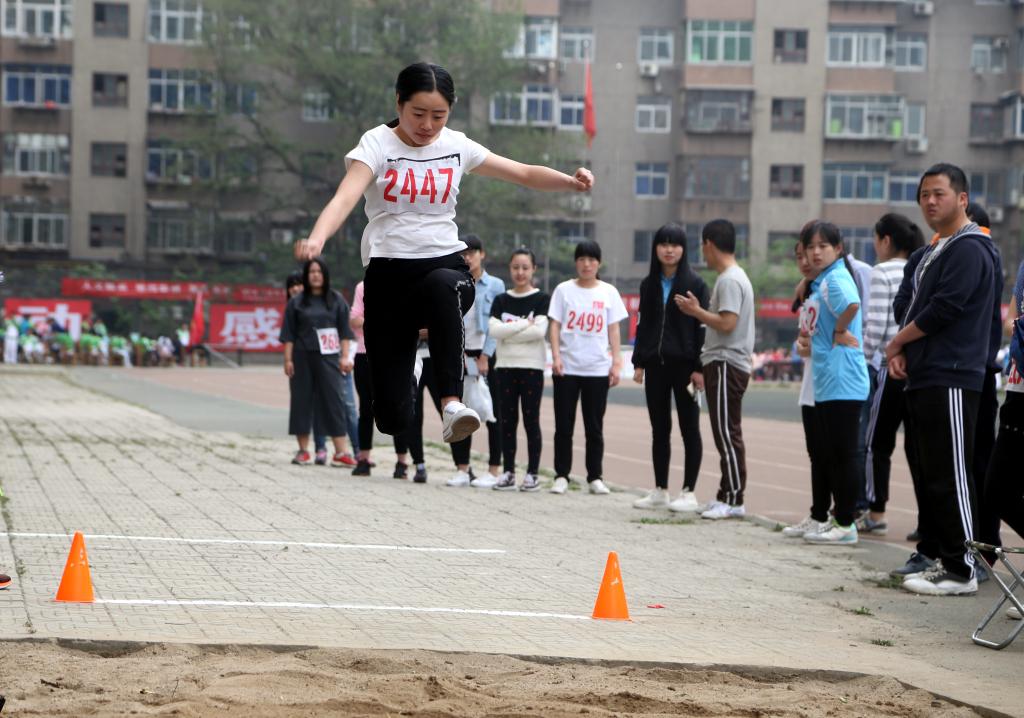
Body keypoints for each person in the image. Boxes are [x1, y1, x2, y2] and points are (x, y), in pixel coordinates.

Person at [294, 62, 593, 449]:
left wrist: (570, 182)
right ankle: (411, 368)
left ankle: (452, 403)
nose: (428, 125)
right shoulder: (377, 144)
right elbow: (345, 197)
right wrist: (317, 238)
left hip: (444, 262)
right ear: (399, 103)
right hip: (389, 275)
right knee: (392, 418)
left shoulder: (456, 145)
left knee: (443, 286)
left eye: (439, 115)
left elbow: (521, 172)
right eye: (418, 113)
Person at [886, 163, 1000, 596]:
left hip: (953, 373)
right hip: (928, 371)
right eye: (924, 195)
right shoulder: (936, 250)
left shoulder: (970, 247)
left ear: (962, 198)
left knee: (953, 474)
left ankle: (962, 568)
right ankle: (948, 561)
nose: (930, 202)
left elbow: (945, 308)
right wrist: (905, 350)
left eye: (939, 193)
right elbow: (910, 304)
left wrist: (898, 342)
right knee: (934, 474)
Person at [676, 220, 755, 520]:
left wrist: (696, 312)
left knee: (726, 432)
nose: (702, 251)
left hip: (726, 363)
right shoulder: (731, 277)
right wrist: (701, 310)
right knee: (725, 431)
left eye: (702, 245)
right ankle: (725, 494)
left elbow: (727, 323)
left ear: (708, 244)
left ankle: (734, 498)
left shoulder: (729, 280)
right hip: (724, 363)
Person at [797, 222, 870, 546]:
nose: (815, 252)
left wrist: (840, 330)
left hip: (843, 379)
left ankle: (845, 522)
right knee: (834, 454)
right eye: (810, 247)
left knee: (844, 455)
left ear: (838, 249)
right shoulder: (822, 281)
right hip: (829, 378)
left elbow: (852, 304)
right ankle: (838, 520)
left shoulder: (835, 279)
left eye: (822, 246)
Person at [630, 223, 708, 512]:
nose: (669, 250)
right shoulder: (648, 284)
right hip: (656, 367)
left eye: (675, 244)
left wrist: (699, 367)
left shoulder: (696, 284)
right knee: (659, 429)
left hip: (686, 368)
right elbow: (643, 324)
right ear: (655, 249)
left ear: (684, 249)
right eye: (663, 244)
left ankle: (688, 492)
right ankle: (660, 490)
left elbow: (702, 329)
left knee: (690, 429)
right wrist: (639, 362)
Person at [858, 214, 925, 536]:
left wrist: (863, 358)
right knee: (918, 448)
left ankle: (876, 511)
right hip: (918, 368)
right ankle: (926, 521)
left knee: (877, 444)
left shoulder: (882, 271)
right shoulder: (921, 266)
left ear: (885, 240)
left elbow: (877, 325)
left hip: (889, 366)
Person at [547, 240, 627, 495]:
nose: (586, 264)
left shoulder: (608, 292)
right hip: (567, 368)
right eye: (581, 259)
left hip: (597, 369)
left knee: (594, 427)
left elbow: (614, 329)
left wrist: (616, 362)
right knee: (564, 426)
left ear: (598, 263)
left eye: (591, 259)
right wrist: (556, 356)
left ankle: (595, 477)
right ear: (576, 262)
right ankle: (561, 475)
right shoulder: (563, 290)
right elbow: (555, 325)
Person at [279, 258, 356, 466]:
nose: (315, 275)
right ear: (306, 275)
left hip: (329, 357)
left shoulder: (336, 299)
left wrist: (345, 356)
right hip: (301, 356)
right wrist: (288, 359)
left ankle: (341, 452)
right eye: (311, 271)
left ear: (325, 275)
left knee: (334, 401)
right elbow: (288, 334)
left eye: (319, 271)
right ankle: (303, 451)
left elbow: (345, 332)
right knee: (301, 401)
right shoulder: (296, 302)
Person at [446, 234, 506, 488]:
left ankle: (493, 470)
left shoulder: (495, 285)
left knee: (493, 414)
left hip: (485, 356)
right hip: (460, 355)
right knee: (460, 413)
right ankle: (462, 469)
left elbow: (497, 323)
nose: (467, 257)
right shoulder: (453, 282)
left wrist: (485, 356)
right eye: (462, 254)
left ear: (482, 254)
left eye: (472, 252)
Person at [489, 247, 549, 492]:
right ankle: (508, 472)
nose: (520, 272)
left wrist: (509, 331)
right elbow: (494, 331)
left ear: (533, 269)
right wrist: (525, 323)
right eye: (516, 267)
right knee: (507, 422)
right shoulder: (501, 300)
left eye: (525, 267)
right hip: (505, 367)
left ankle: (532, 474)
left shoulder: (542, 299)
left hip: (532, 367)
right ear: (510, 269)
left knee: (531, 421)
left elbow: (539, 331)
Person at [783, 236, 831, 538]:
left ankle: (836, 517)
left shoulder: (833, 286)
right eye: (799, 256)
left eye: (811, 252)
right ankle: (818, 514)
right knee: (816, 453)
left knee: (829, 453)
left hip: (831, 383)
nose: (805, 260)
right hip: (812, 382)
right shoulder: (811, 290)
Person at [349, 280, 414, 479]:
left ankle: (402, 462)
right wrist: (383, 321)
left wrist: (374, 321)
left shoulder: (402, 283)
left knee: (397, 405)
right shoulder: (363, 287)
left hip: (394, 354)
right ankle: (363, 459)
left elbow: (407, 319)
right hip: (364, 353)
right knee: (366, 408)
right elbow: (354, 320)